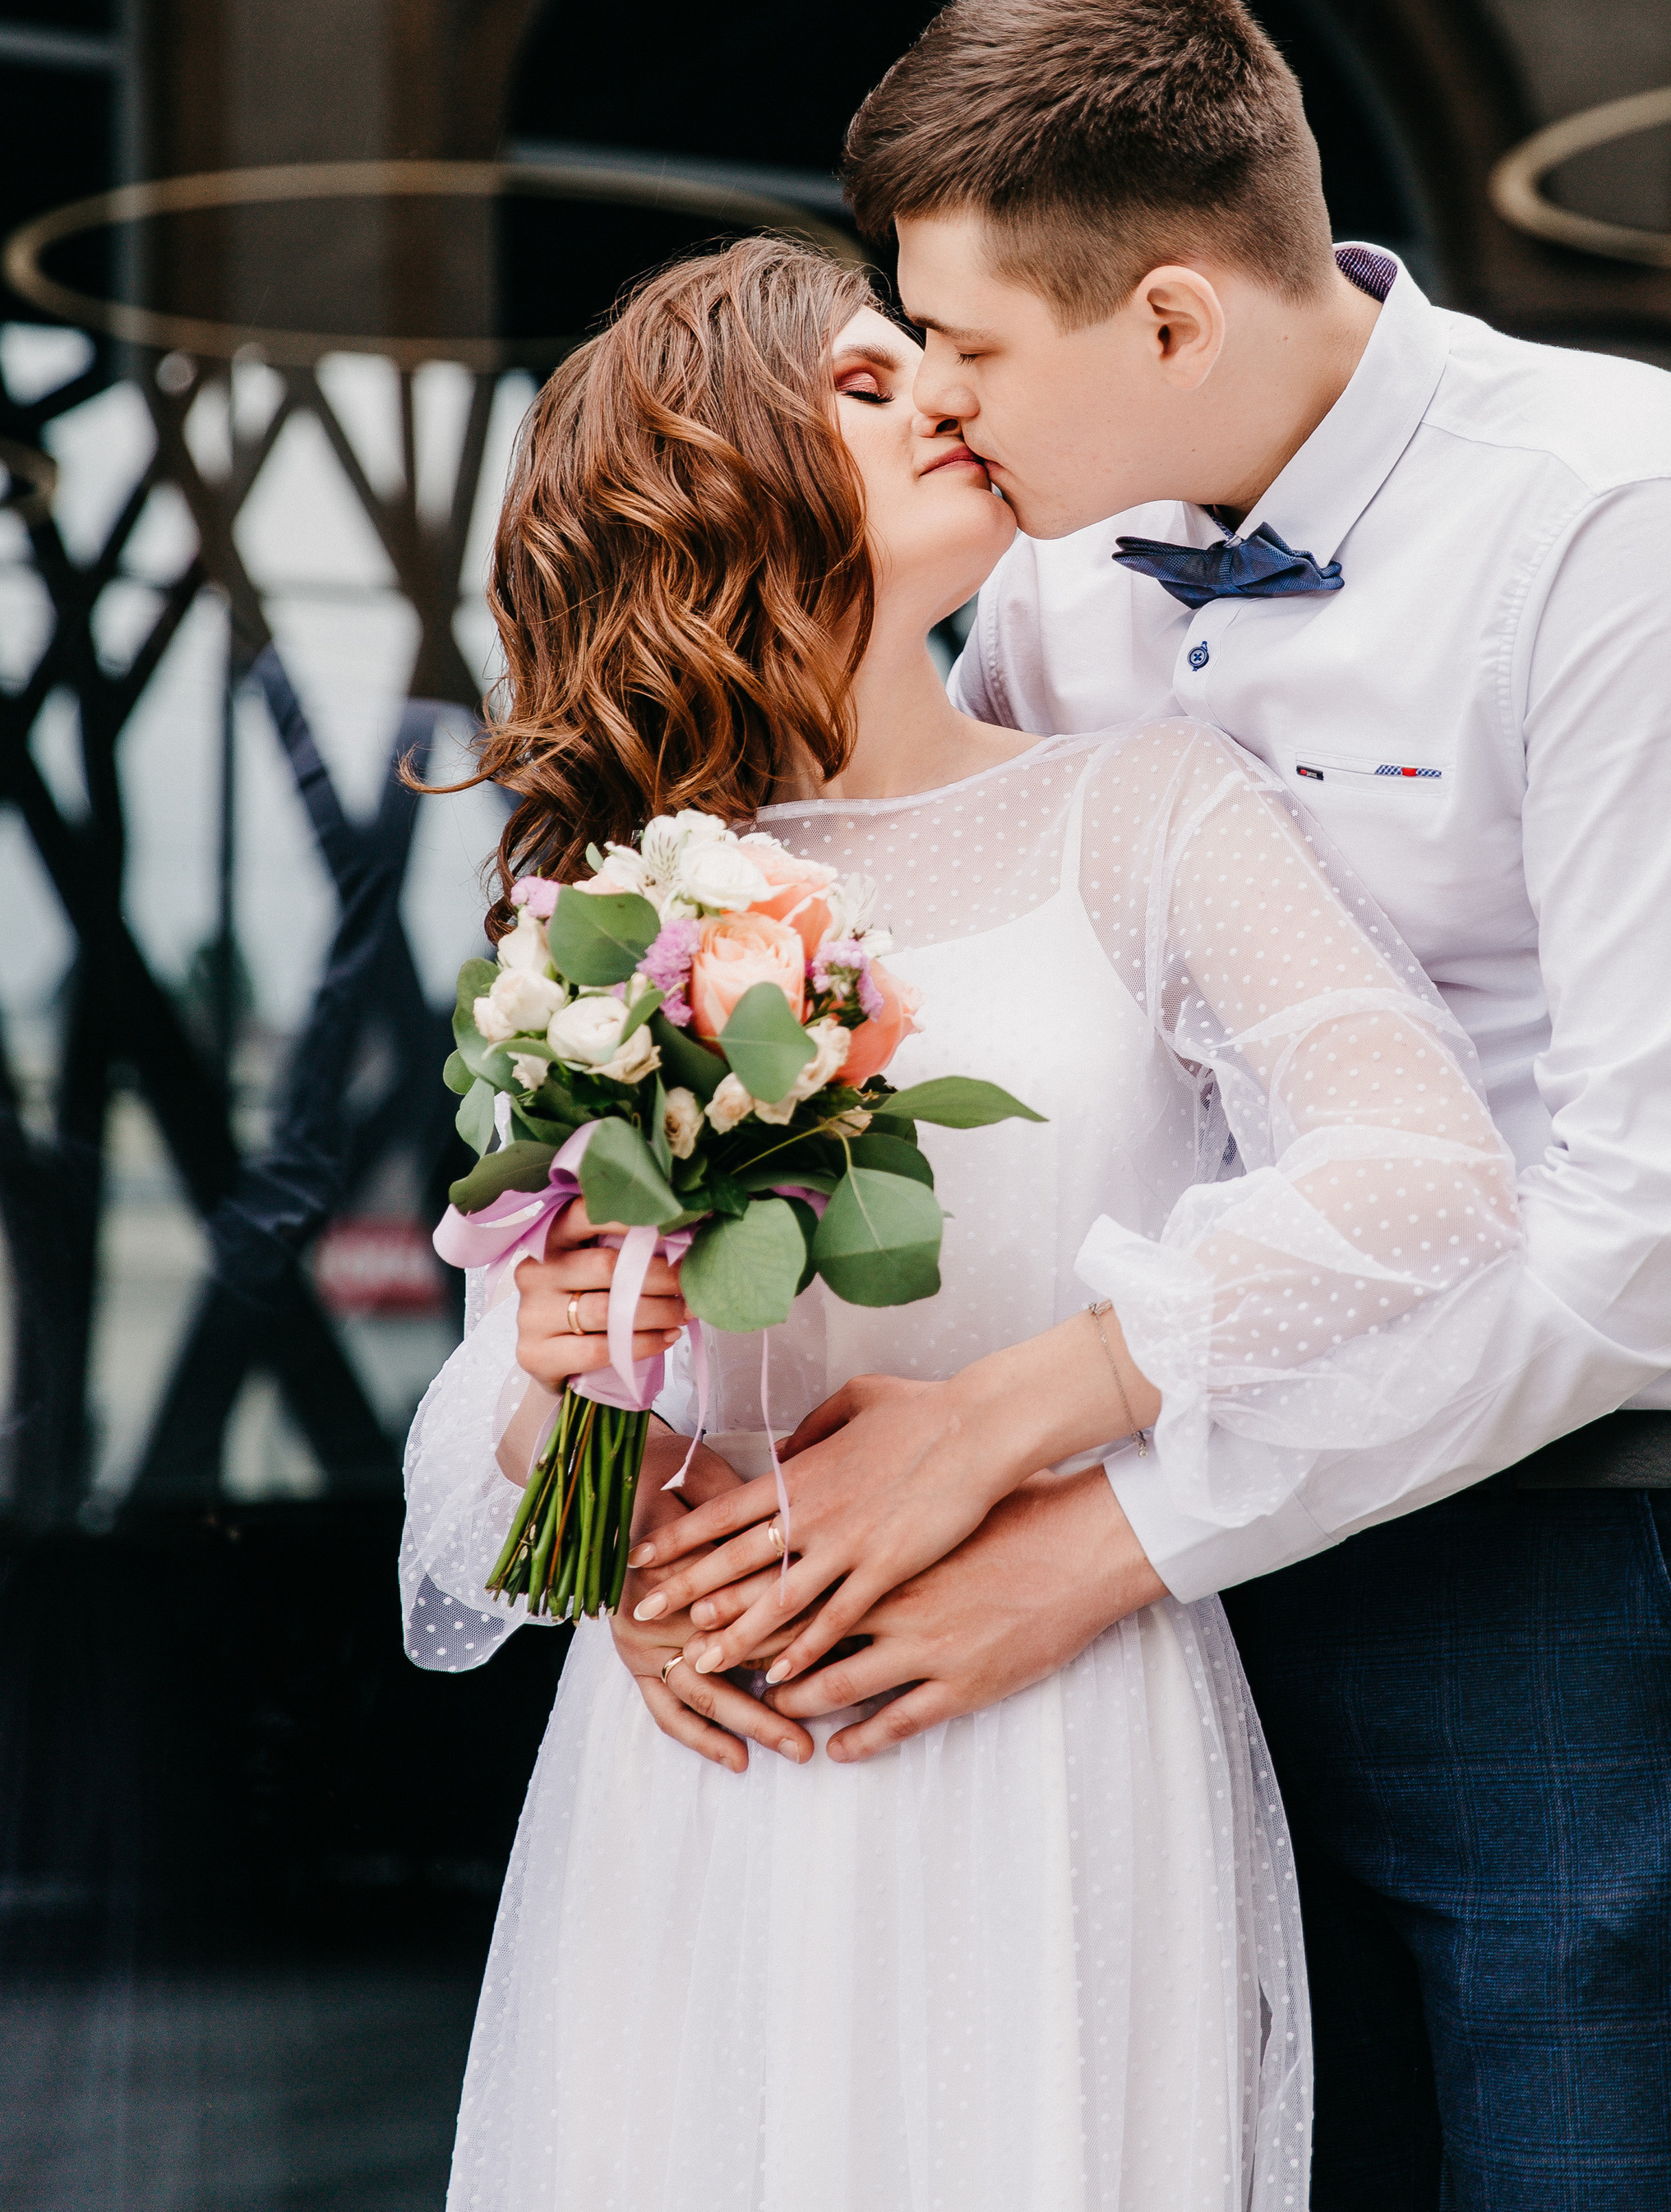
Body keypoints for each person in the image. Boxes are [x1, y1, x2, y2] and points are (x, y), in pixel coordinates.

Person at [630, 0, 1671, 2210]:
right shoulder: (1051, 579)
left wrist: (1078, 1506)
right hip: (1209, 1621)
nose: (940, 407)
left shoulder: (1625, 526)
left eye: (977, 351)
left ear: (1177, 319)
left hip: (1594, 1586)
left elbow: (1665, 1212)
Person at [399, 235, 1523, 2212]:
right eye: (858, 379)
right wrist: (581, 1433)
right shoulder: (587, 914)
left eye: (928, 356)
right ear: (713, 467)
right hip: (706, 1761)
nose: (940, 393)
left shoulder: (1149, 814)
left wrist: (1034, 1406)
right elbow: (494, 1462)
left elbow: (1428, 1182)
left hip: (1048, 1722)